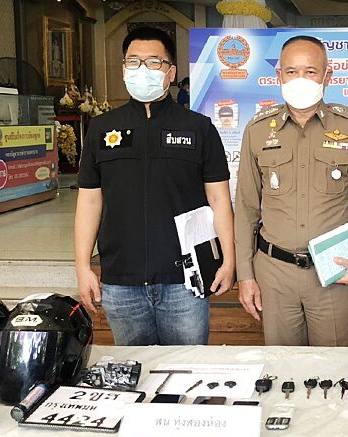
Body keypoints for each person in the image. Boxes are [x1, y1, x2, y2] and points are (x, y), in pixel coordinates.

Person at [75, 26, 235, 346]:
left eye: (153, 62)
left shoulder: (199, 128)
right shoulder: (102, 129)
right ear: (124, 69)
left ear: (170, 72)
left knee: (187, 369)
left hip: (185, 282)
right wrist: (82, 266)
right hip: (122, 282)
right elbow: (90, 201)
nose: (142, 70)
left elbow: (219, 199)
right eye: (133, 62)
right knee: (134, 370)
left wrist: (229, 259)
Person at [234, 36, 348, 346]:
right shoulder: (258, 130)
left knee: (332, 364)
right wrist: (245, 274)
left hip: (333, 271)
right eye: (291, 71)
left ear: (327, 76)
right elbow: (247, 207)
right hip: (274, 273)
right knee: (283, 364)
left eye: (310, 71)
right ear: (279, 76)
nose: (300, 79)